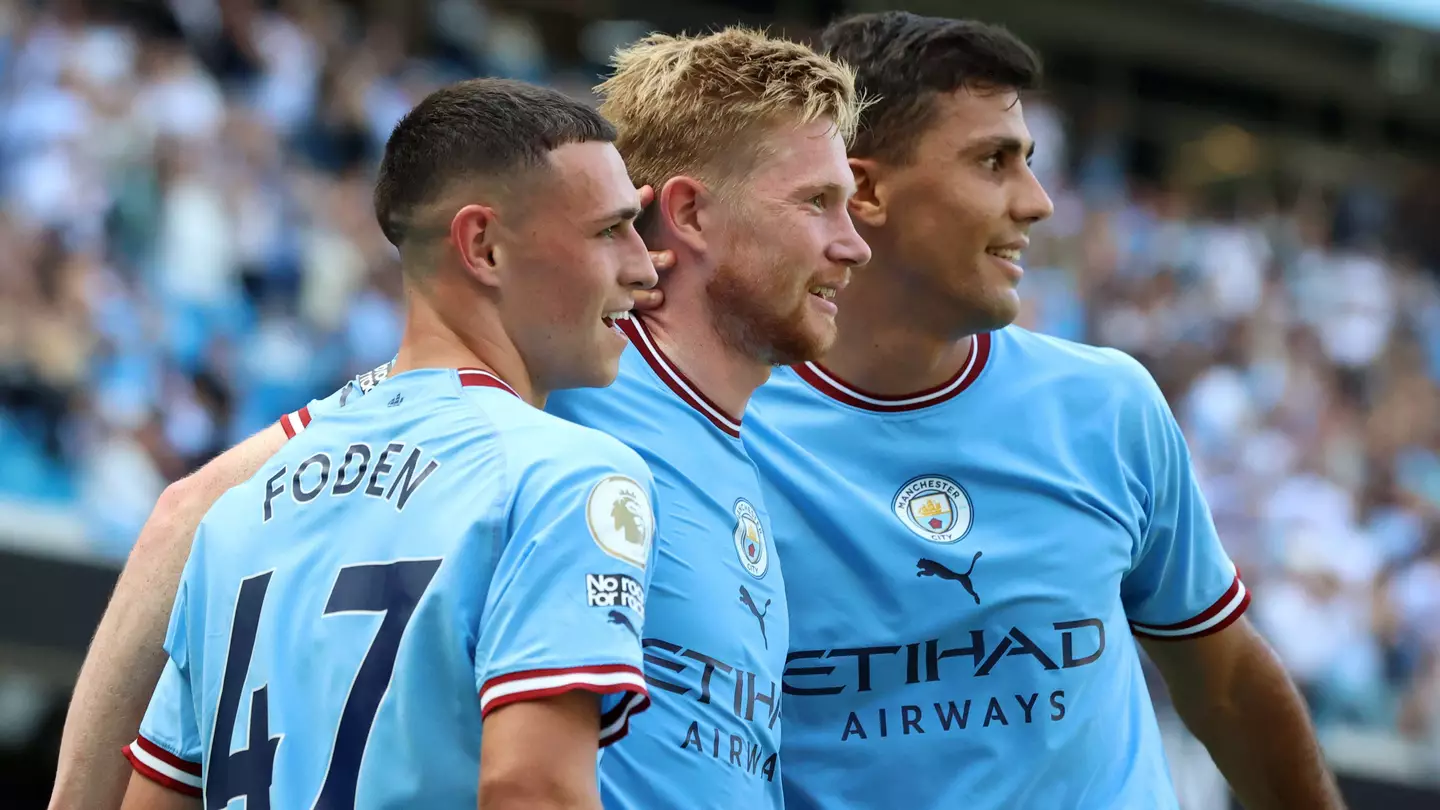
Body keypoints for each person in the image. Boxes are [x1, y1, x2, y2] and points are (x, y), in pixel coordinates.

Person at [739, 11, 1346, 810]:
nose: (1039, 203)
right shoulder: (721, 431)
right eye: (995, 162)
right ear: (868, 190)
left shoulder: (1108, 404)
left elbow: (1226, 683)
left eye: (1029, 161)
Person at [115, 78, 661, 810]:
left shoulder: (238, 513)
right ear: (484, 247)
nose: (645, 266)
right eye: (609, 230)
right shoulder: (565, 476)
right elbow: (536, 790)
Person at [547, 28, 867, 808]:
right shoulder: (558, 393)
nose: (854, 246)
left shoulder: (735, 451)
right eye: (817, 203)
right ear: (689, 213)